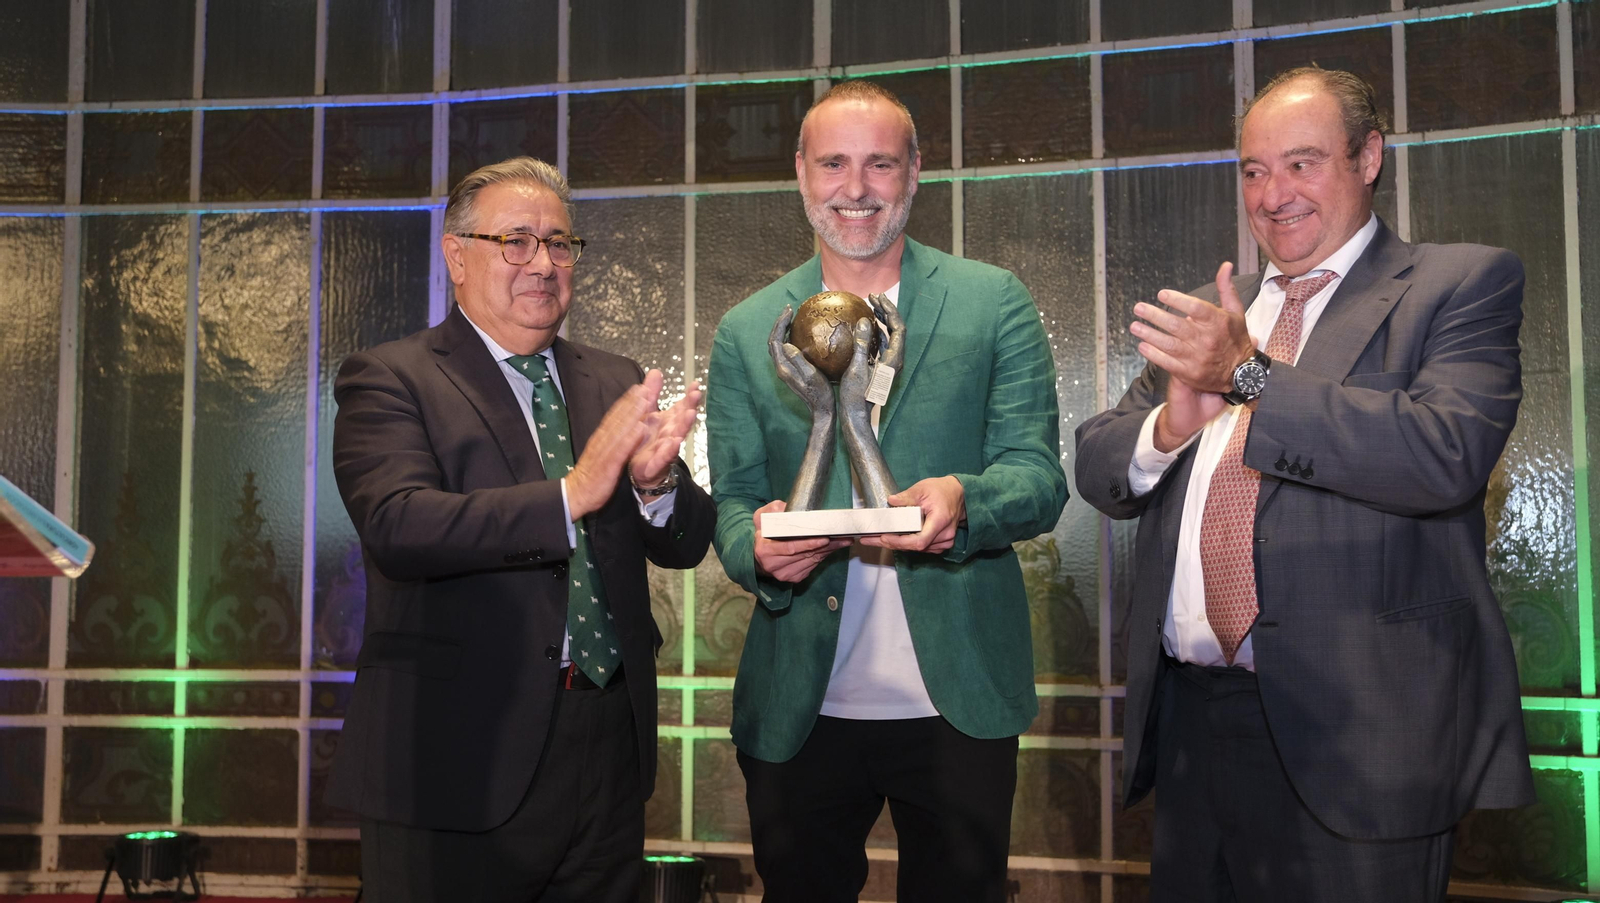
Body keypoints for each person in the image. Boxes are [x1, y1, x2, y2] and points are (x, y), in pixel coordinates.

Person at [1075, 67, 1535, 902]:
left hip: (1361, 743)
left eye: (1302, 162)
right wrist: (1172, 425)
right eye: (1253, 170)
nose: (1273, 193)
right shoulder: (1222, 310)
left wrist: (1248, 376)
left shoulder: (1458, 284)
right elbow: (1102, 468)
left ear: (1368, 158)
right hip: (1190, 731)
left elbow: (1443, 453)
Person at [704, 80, 1069, 903]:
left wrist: (964, 500)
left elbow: (1040, 477)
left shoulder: (992, 301)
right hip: (799, 699)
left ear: (915, 172)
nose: (856, 187)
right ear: (801, 172)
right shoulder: (747, 327)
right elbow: (731, 504)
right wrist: (755, 548)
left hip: (960, 695)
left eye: (880, 163)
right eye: (834, 162)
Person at [325, 156, 715, 903]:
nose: (543, 263)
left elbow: (684, 541)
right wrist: (570, 495)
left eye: (560, 244)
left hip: (604, 743)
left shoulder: (613, 378)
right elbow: (398, 524)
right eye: (517, 241)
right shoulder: (390, 376)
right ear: (457, 254)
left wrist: (655, 483)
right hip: (454, 753)